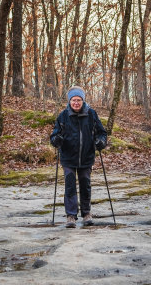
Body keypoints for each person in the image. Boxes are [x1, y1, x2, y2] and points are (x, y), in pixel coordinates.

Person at [50, 86, 107, 228]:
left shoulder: (91, 114)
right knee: (70, 186)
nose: (76, 103)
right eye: (74, 100)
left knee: (85, 185)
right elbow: (54, 135)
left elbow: (102, 133)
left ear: (83, 101)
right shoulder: (63, 116)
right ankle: (70, 216)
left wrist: (101, 142)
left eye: (79, 100)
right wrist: (56, 140)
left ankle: (86, 213)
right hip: (68, 157)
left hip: (86, 157)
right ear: (69, 101)